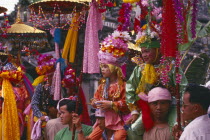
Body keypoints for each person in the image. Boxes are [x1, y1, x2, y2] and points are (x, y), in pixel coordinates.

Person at [126, 26, 188, 139]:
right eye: (142, 52)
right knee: (133, 129)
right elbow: (130, 89)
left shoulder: (171, 66)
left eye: (147, 51)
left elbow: (184, 87)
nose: (144, 55)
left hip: (172, 105)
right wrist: (134, 111)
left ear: (158, 50)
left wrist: (178, 96)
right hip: (149, 107)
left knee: (178, 128)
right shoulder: (140, 69)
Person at [89, 30, 131, 140]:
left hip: (118, 121)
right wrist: (94, 102)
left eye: (106, 66)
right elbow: (95, 99)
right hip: (102, 121)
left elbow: (128, 105)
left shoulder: (123, 85)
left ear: (114, 68)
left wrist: (112, 104)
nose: (102, 69)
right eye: (102, 66)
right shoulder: (102, 86)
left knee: (119, 137)